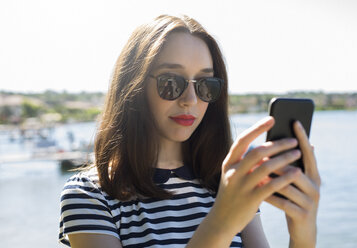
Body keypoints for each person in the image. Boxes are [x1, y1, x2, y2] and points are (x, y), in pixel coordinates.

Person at [59, 15, 321, 248]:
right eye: (171, 82)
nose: (190, 100)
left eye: (206, 84)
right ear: (134, 88)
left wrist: (303, 236)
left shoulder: (223, 183)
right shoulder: (89, 195)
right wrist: (221, 223)